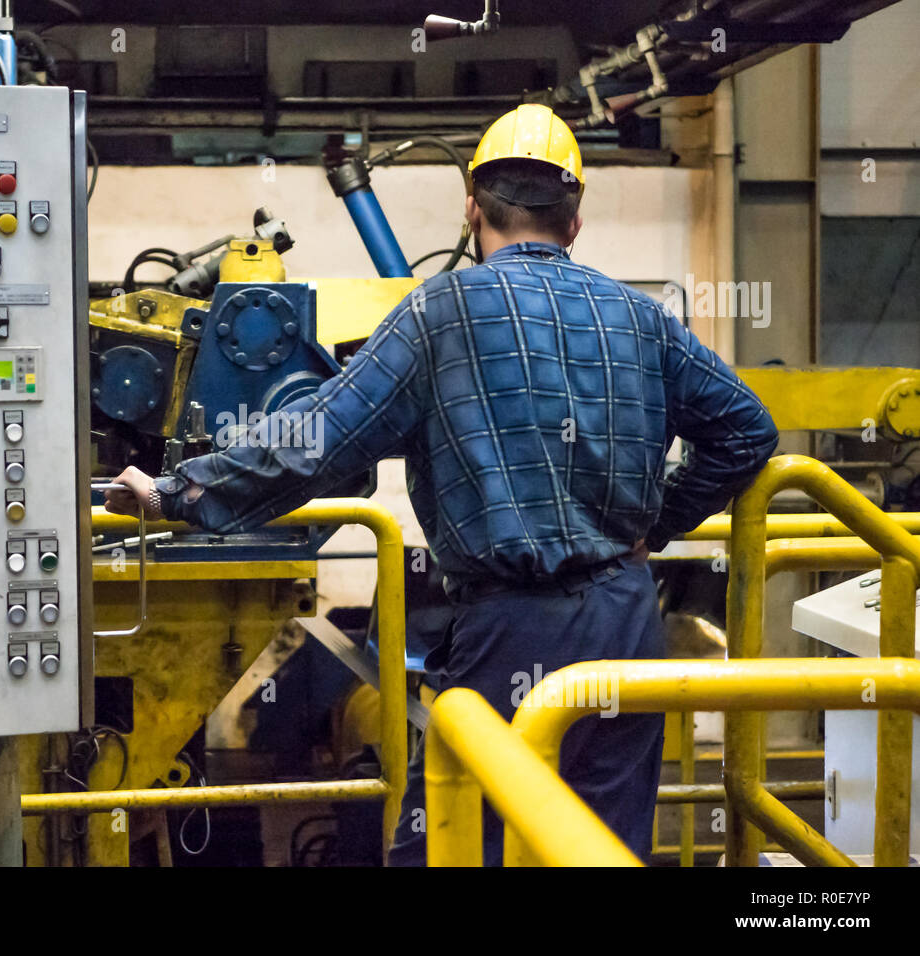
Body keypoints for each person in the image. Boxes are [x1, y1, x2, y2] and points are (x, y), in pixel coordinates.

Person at [104, 103, 780, 865]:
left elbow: (314, 442)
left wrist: (178, 492)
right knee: (598, 850)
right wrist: (655, 527)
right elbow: (748, 431)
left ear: (470, 209)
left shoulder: (439, 313)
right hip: (629, 624)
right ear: (576, 219)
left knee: (452, 847)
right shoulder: (641, 317)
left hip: (515, 631)